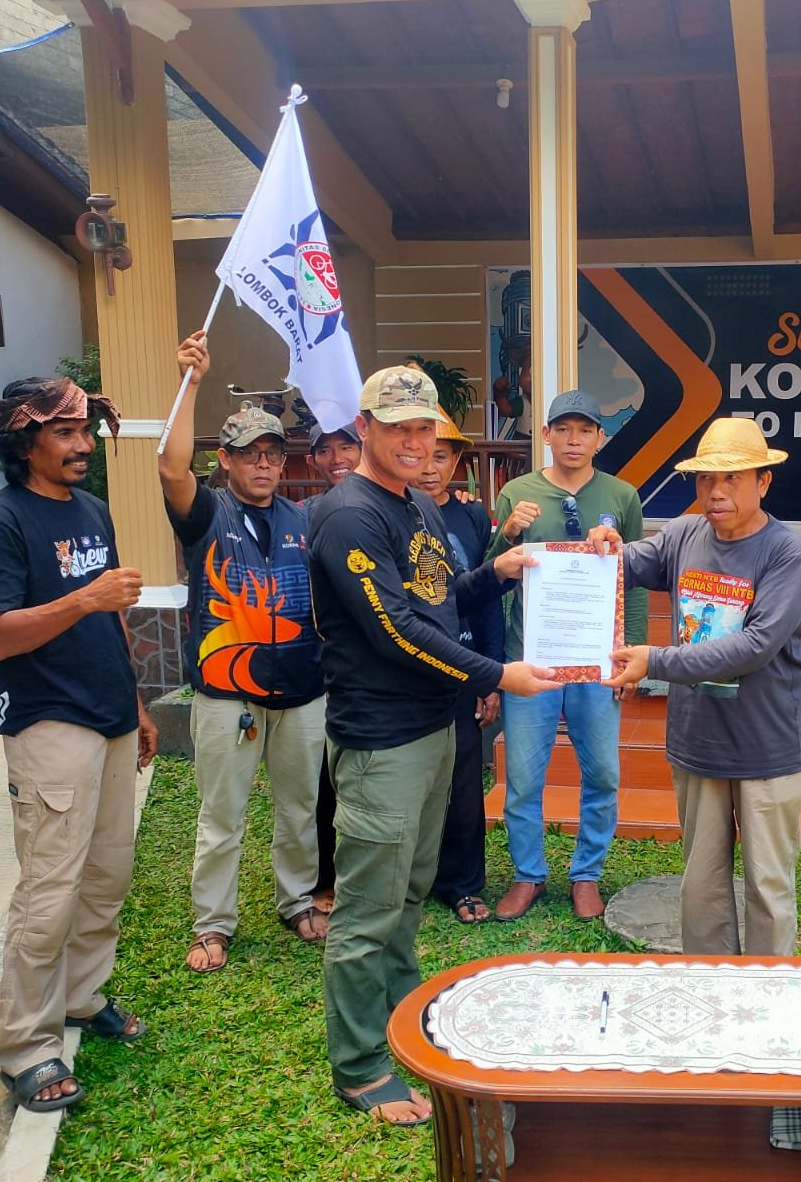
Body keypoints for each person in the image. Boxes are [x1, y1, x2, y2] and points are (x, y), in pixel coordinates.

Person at [308, 365, 558, 1126]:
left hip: (432, 729)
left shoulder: (414, 501)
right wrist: (500, 674)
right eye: (399, 428)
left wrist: (496, 573)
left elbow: (440, 600)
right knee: (367, 912)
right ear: (365, 429)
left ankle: (399, 1022)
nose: (416, 442)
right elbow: (395, 630)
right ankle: (360, 1068)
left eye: (426, 428)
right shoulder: (349, 515)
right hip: (382, 741)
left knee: (409, 894)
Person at [0, 375, 157, 1113]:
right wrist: (84, 598)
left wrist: (135, 701)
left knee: (106, 877)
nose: (83, 446)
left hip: (109, 714)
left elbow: (109, 618)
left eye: (85, 432)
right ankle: (26, 1047)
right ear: (24, 442)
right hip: (48, 720)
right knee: (49, 892)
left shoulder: (92, 510)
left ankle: (81, 997)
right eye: (65, 433)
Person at [596, 418, 801, 955]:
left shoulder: (788, 552)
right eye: (706, 479)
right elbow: (627, 564)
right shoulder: (683, 534)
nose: (716, 492)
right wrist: (603, 550)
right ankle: (710, 983)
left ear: (764, 482)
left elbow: (755, 646)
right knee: (701, 886)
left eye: (732, 478)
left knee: (768, 887)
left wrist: (653, 661)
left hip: (766, 747)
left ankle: (768, 990)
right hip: (698, 742)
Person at [158, 333, 327, 975]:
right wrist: (192, 383)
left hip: (301, 689)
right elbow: (171, 469)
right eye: (249, 454)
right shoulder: (205, 514)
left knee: (299, 807)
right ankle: (212, 924)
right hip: (227, 693)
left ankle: (297, 900)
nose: (263, 464)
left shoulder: (304, 520)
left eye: (272, 454)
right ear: (225, 460)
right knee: (222, 814)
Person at [488, 389, 647, 922]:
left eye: (585, 430)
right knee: (523, 777)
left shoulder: (622, 496)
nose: (574, 439)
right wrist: (508, 533)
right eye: (563, 429)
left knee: (601, 772)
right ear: (546, 434)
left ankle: (587, 874)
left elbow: (634, 580)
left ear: (601, 437)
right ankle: (528, 874)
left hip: (596, 661)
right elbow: (491, 576)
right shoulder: (517, 493)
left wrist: (630, 654)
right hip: (531, 659)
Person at [415, 412, 505, 925]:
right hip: (410, 670)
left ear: (456, 463)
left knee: (465, 782)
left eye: (442, 456)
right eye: (424, 455)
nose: (430, 467)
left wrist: (491, 675)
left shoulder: (472, 517)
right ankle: (412, 879)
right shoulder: (392, 512)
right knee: (412, 781)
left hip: (465, 667)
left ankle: (464, 883)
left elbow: (486, 596)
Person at [301, 419, 361, 912]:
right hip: (318, 667)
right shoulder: (303, 515)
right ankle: (324, 877)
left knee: (363, 780)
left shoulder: (383, 509)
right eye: (326, 450)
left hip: (369, 668)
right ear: (312, 460)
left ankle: (367, 876)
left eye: (347, 446)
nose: (337, 458)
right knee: (322, 779)